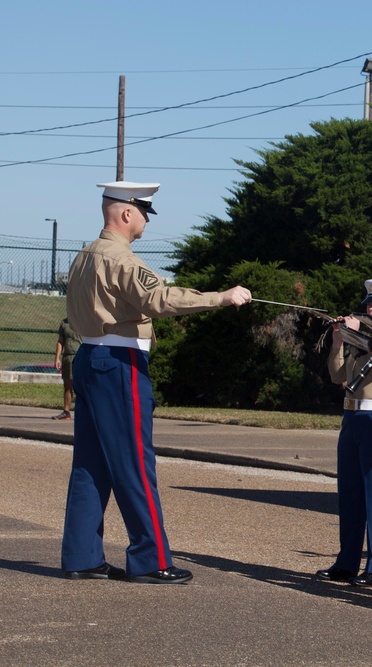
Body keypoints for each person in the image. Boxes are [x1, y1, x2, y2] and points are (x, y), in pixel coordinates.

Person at [62, 181, 251, 584]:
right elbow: (159, 300)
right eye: (145, 212)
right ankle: (150, 559)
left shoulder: (84, 255)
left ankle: (81, 556)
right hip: (119, 362)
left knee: (90, 465)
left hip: (90, 358)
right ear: (127, 213)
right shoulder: (123, 260)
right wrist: (221, 297)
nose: (146, 220)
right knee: (134, 463)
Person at [316, 279, 372, 588]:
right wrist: (340, 342)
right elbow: (337, 375)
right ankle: (347, 562)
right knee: (350, 494)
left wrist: (360, 336)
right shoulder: (364, 336)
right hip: (352, 416)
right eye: (369, 302)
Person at [53, 317, 82, 420]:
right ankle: (66, 412)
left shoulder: (84, 320)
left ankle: (83, 412)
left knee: (81, 385)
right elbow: (60, 341)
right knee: (67, 385)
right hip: (68, 357)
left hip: (80, 356)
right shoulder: (64, 323)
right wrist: (57, 358)